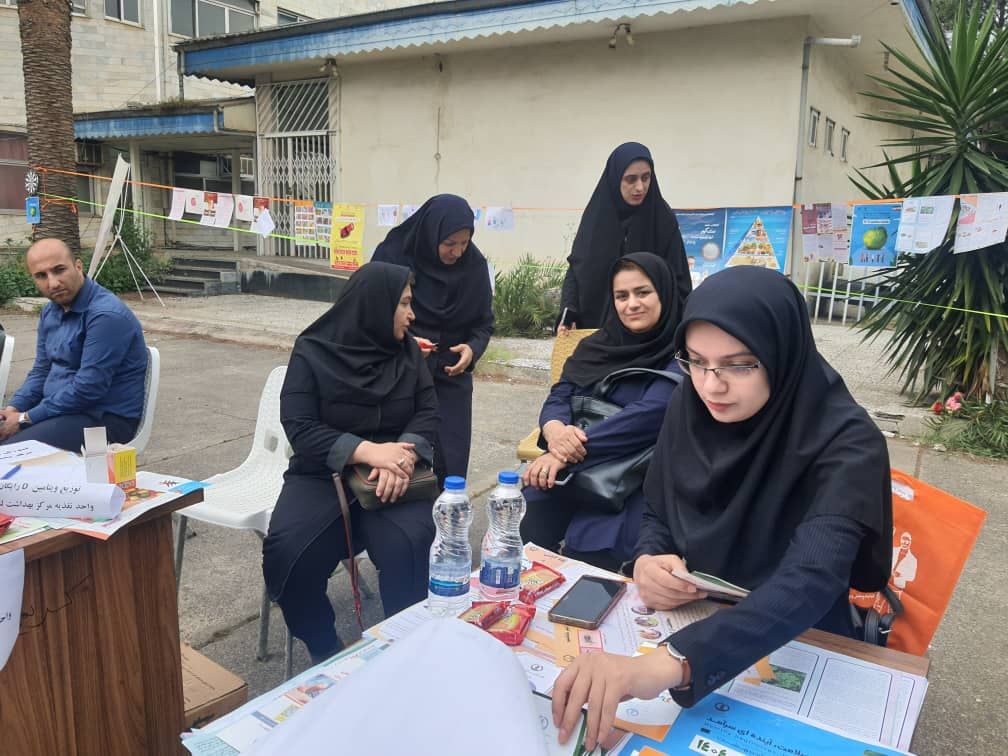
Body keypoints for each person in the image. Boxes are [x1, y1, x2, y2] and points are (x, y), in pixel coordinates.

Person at [550, 266, 893, 751]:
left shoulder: (848, 443)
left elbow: (812, 579)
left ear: (781, 353)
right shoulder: (689, 405)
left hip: (795, 638)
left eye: (739, 365)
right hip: (686, 615)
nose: (712, 386)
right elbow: (659, 508)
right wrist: (648, 559)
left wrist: (669, 662)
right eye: (696, 361)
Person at [262, 262, 439, 663]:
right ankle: (326, 650)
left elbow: (428, 412)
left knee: (411, 544)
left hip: (396, 477)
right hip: (322, 475)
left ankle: (406, 653)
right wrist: (368, 451)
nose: (412, 315)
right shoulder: (312, 351)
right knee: (288, 554)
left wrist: (403, 456)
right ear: (375, 305)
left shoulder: (408, 352)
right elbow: (299, 426)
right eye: (404, 304)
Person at [520, 252, 684, 571]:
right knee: (527, 517)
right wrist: (554, 431)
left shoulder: (682, 352)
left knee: (594, 549)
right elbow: (561, 393)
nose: (631, 304)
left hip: (638, 473)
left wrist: (564, 454)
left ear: (663, 293)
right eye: (622, 296)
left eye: (643, 292)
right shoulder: (597, 345)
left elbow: (649, 415)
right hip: (573, 463)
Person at [371, 194, 494, 478]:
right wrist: (404, 343)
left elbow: (484, 323)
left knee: (451, 460)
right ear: (430, 233)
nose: (458, 252)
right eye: (449, 243)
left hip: (451, 375)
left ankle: (447, 507)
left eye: (465, 243)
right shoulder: (393, 257)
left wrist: (472, 349)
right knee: (400, 459)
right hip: (399, 374)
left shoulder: (474, 266)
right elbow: (369, 313)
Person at [0, 238, 147, 451]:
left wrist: (25, 418)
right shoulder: (50, 311)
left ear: (78, 266)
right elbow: (42, 370)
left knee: (7, 454)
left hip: (102, 419)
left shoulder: (105, 316)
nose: (53, 283)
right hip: (60, 411)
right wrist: (13, 409)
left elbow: (88, 389)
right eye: (41, 275)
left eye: (59, 270)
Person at [557, 142, 691, 333]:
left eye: (646, 178)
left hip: (647, 335)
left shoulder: (661, 219)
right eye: (631, 179)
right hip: (595, 330)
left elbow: (679, 281)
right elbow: (578, 269)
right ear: (615, 179)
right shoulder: (596, 218)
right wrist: (568, 311)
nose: (640, 187)